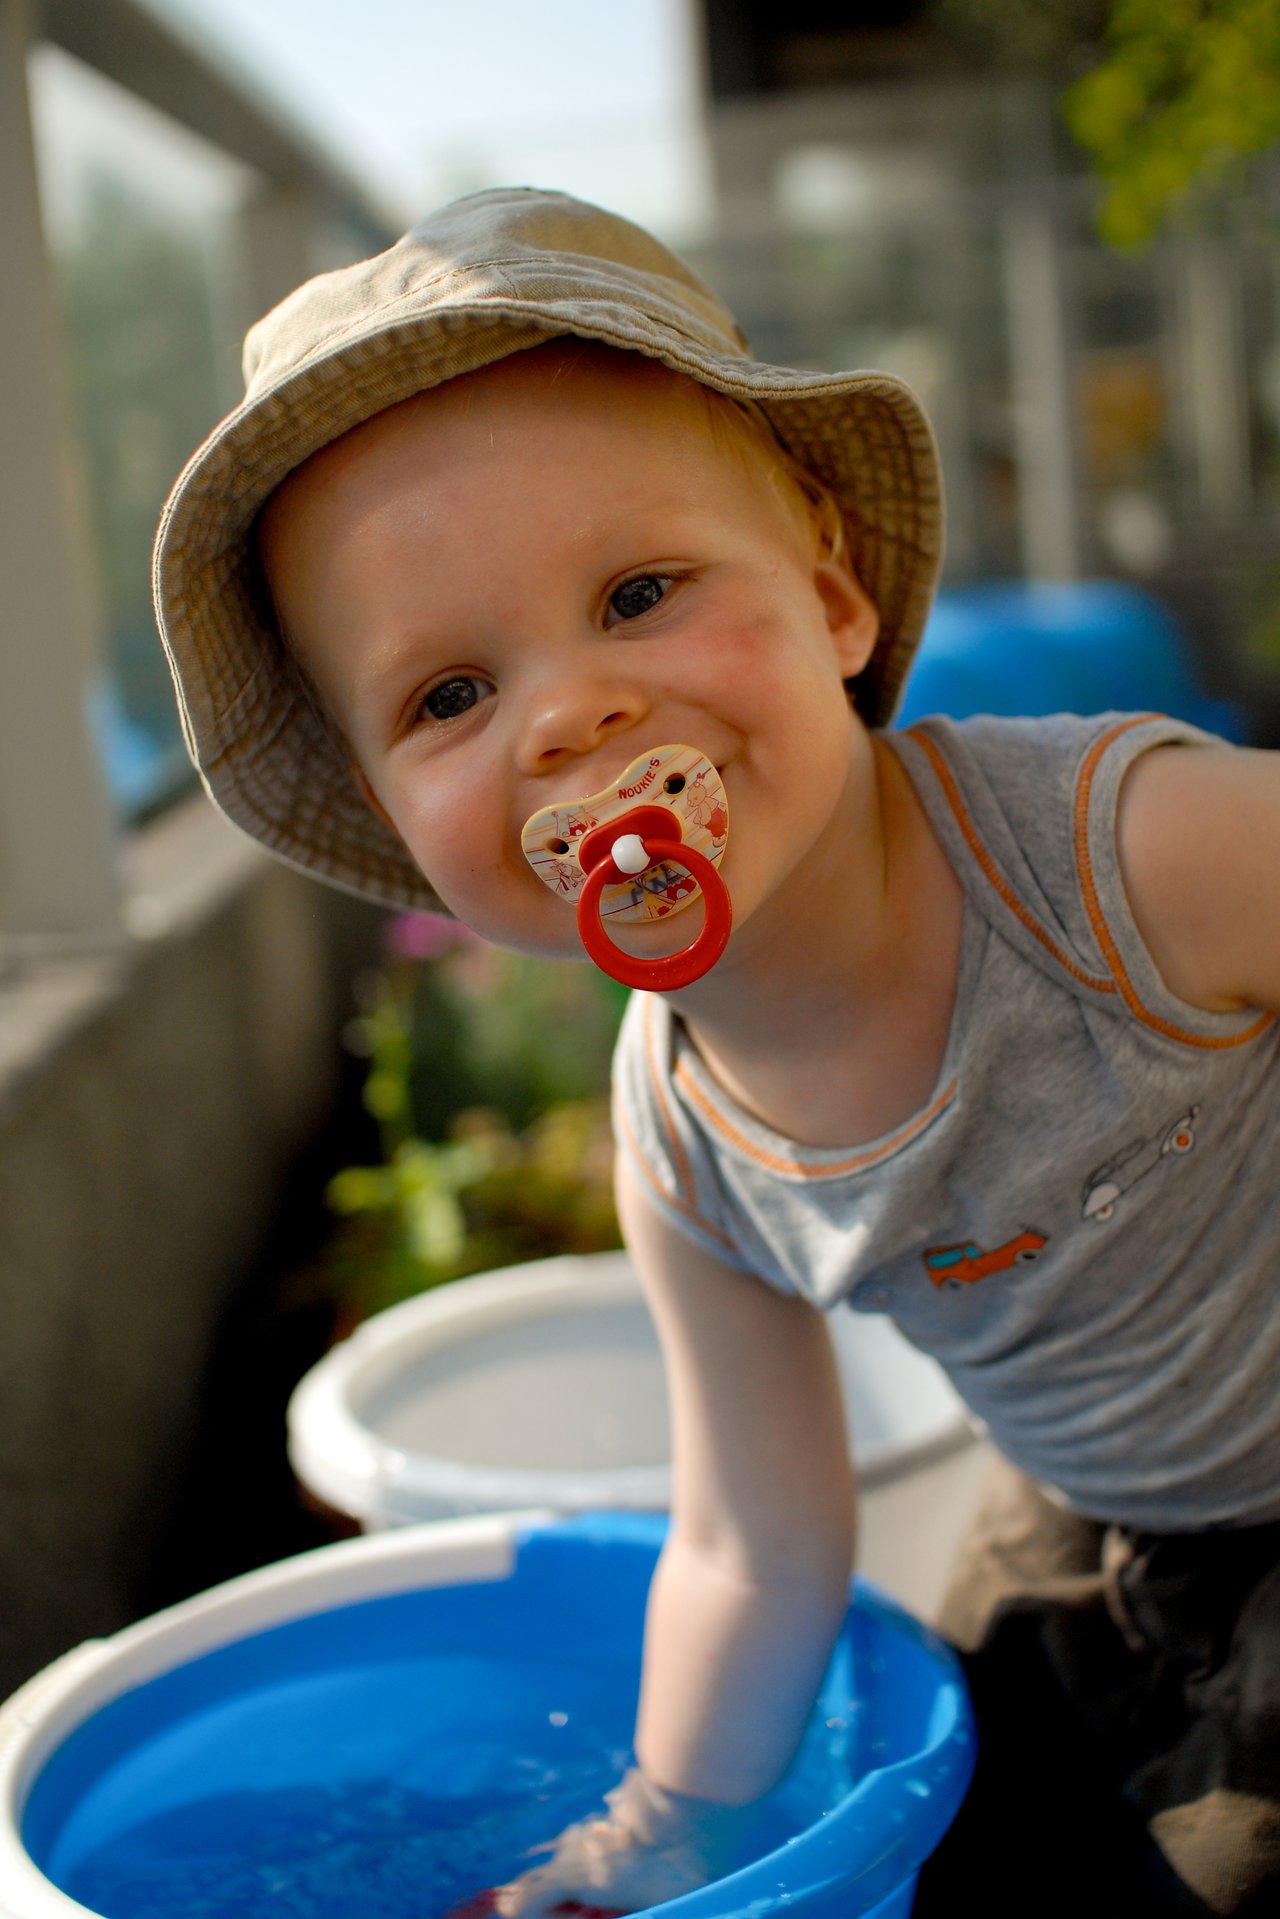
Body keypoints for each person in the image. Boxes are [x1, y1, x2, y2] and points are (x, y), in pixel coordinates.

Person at [153, 187, 1280, 1917]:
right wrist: (654, 1832)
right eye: (447, 697)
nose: (566, 712)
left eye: (639, 589)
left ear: (829, 593)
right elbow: (754, 1544)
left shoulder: (1124, 858)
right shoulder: (682, 1132)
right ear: (392, 809)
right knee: (968, 1850)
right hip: (1101, 1522)